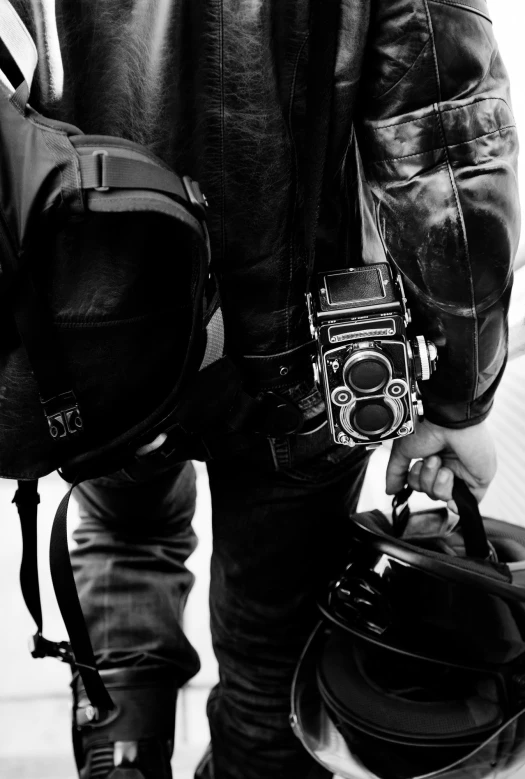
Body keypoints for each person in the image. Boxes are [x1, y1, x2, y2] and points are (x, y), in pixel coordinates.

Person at [11, 1, 520, 778]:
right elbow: (444, 148)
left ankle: (121, 758)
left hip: (98, 321)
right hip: (302, 356)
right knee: (270, 667)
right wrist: (457, 394)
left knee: (126, 532)